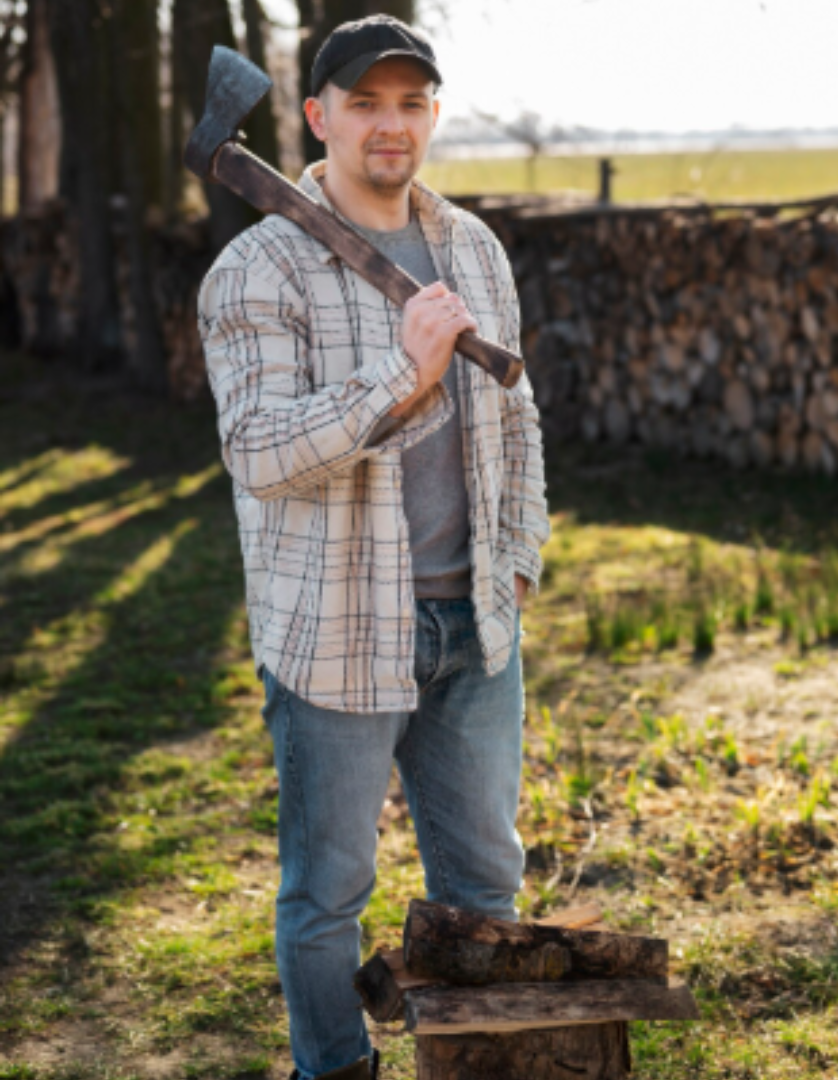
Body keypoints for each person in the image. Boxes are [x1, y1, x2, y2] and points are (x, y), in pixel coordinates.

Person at [197, 15, 550, 1080]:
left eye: (410, 102)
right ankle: (336, 1069)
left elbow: (518, 416)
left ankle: (476, 1066)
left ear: (432, 115)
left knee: (484, 890)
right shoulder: (257, 268)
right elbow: (258, 452)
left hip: (475, 626)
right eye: (365, 103)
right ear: (318, 117)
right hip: (338, 636)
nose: (390, 125)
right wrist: (402, 376)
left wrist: (518, 556)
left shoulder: (473, 248)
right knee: (326, 900)